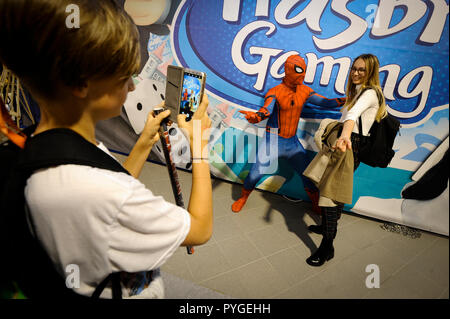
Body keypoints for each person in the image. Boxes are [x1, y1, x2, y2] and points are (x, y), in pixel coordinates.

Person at [0, 0, 212, 298]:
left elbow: (107, 182)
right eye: (123, 75)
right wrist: (199, 145)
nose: (132, 87)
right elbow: (200, 229)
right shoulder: (106, 193)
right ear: (80, 84)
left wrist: (142, 144)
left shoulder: (42, 145)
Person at [232, 54, 346, 213]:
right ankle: (243, 198)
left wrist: (347, 99)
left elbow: (326, 102)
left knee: (308, 176)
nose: (303, 75)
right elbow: (266, 110)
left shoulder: (305, 91)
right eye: (299, 70)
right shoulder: (275, 92)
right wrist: (256, 117)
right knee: (254, 174)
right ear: (287, 70)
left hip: (292, 143)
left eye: (304, 71)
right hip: (272, 140)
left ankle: (314, 204)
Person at [306, 53, 387, 266]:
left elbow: (351, 117)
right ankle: (326, 226)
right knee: (331, 190)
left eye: (362, 70)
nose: (356, 73)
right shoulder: (359, 91)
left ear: (371, 72)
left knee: (330, 195)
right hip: (348, 144)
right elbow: (348, 116)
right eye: (354, 68)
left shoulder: (370, 93)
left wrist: (343, 136)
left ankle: (327, 246)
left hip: (350, 146)